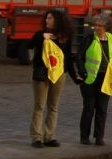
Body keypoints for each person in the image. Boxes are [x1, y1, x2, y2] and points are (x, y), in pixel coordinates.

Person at [78, 14, 112, 145]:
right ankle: (84, 136)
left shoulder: (111, 38)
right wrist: (81, 72)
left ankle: (99, 137)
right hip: (89, 79)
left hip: (106, 78)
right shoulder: (89, 38)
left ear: (107, 27)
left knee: (102, 109)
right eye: (95, 25)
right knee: (89, 108)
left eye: (100, 25)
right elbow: (79, 57)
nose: (96, 27)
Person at [28, 9, 77, 148]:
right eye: (46, 18)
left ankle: (49, 136)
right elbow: (29, 45)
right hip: (42, 74)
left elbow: (67, 57)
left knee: (53, 106)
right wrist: (41, 37)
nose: (46, 20)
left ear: (57, 20)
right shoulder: (40, 34)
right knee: (39, 106)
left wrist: (74, 76)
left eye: (50, 18)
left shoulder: (64, 36)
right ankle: (36, 137)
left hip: (59, 74)